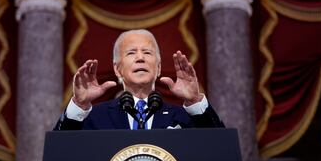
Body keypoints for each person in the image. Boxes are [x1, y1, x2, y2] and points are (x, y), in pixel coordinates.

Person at [54, 29, 224, 131]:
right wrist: (79, 104)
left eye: (147, 52)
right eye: (131, 53)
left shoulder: (182, 116)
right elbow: (62, 152)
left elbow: (219, 147)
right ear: (116, 68)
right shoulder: (95, 117)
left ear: (158, 68)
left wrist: (194, 100)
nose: (140, 58)